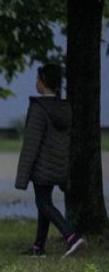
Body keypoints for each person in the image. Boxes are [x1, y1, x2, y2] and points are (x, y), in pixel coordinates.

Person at [15, 63, 84, 257]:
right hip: (57, 164)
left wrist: (23, 176)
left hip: (41, 167)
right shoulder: (63, 108)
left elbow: (31, 143)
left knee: (44, 204)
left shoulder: (39, 109)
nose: (36, 83)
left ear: (43, 81)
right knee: (43, 202)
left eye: (37, 79)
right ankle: (38, 247)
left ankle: (71, 236)